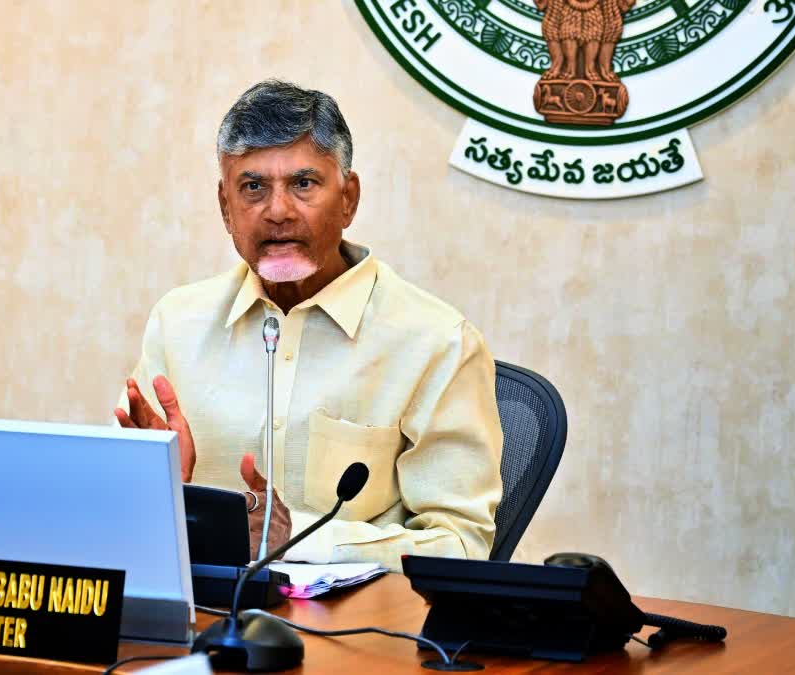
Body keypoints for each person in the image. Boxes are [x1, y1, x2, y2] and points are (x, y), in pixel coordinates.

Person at [114, 80, 503, 570]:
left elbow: (462, 545)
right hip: (207, 607)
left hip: (359, 616)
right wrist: (160, 490)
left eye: (303, 184)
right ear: (225, 207)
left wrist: (297, 537)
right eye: (253, 187)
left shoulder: (436, 342)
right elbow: (116, 514)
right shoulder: (178, 323)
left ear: (348, 199)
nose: (278, 211)